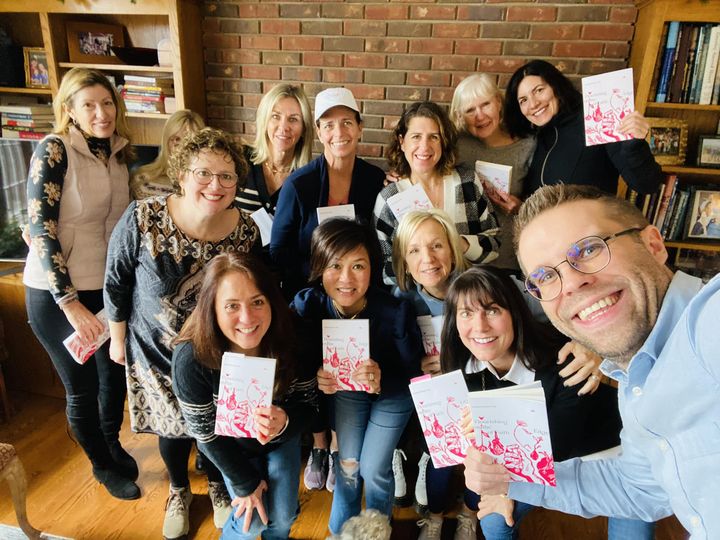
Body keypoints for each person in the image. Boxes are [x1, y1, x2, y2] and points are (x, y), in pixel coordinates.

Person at [464, 184, 719, 539]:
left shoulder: (709, 321)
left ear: (653, 245)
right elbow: (638, 489)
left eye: (588, 249)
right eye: (545, 276)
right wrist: (510, 475)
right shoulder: (635, 381)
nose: (570, 284)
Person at [104, 128, 260, 539]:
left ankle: (214, 482)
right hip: (152, 348)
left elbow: (249, 290)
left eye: (227, 176)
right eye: (203, 173)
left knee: (212, 424)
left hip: (215, 353)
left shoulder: (246, 231)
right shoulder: (143, 217)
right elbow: (116, 281)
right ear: (182, 174)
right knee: (171, 426)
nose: (216, 185)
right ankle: (177, 489)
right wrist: (117, 340)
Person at [431, 265, 653, 540]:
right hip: (536, 462)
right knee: (494, 521)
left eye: (492, 310)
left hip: (606, 456)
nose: (480, 327)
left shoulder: (565, 357)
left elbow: (555, 446)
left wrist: (506, 489)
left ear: (514, 312)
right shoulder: (464, 370)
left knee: (635, 528)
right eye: (466, 313)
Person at [23, 67, 139, 500]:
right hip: (57, 295)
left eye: (107, 103)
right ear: (69, 110)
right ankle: (101, 464)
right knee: (82, 387)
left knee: (113, 375)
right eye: (88, 105)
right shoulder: (54, 151)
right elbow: (41, 230)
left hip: (103, 290)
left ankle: (110, 440)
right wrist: (69, 303)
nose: (101, 113)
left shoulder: (118, 153)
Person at [291, 218, 424, 534]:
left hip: (393, 392)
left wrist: (380, 375)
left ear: (372, 268)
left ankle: (376, 531)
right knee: (348, 465)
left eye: (358, 266)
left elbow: (412, 371)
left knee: (376, 467)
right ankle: (341, 532)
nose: (346, 279)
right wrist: (315, 374)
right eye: (335, 266)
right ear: (319, 267)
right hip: (347, 390)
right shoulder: (309, 306)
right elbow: (291, 358)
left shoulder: (394, 311)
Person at [172, 253, 317, 539]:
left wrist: (286, 420)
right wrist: (244, 484)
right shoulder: (190, 358)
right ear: (212, 308)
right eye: (232, 306)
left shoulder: (294, 336)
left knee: (284, 516)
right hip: (229, 445)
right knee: (252, 522)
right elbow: (205, 435)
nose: (247, 318)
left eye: (257, 302)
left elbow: (310, 405)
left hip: (280, 440)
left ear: (272, 301)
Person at [270, 87, 385, 298]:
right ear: (319, 132)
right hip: (308, 294)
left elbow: (380, 244)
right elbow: (279, 251)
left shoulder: (375, 180)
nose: (339, 133)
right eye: (329, 125)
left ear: (360, 128)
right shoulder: (298, 185)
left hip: (361, 294)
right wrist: (324, 274)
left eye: (347, 123)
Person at [374, 101, 499, 285]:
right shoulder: (390, 198)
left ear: (444, 142)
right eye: (416, 136)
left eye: (434, 137)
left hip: (469, 293)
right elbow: (385, 267)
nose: (424, 147)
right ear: (402, 142)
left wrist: (458, 243)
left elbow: (494, 244)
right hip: (417, 302)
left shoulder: (467, 183)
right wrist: (425, 272)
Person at [504, 60, 663, 197]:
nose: (533, 104)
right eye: (523, 100)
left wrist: (634, 144)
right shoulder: (536, 135)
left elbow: (647, 185)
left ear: (555, 85)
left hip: (592, 231)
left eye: (539, 90)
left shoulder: (596, 117)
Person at [449, 73, 536, 269]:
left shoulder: (528, 145)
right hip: (467, 260)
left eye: (485, 104)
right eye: (470, 110)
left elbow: (543, 200)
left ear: (498, 102)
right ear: (460, 115)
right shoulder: (456, 146)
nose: (480, 116)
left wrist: (520, 207)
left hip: (512, 257)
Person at [235, 84, 314, 216]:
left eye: (293, 119)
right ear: (264, 121)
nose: (284, 127)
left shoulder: (309, 179)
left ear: (304, 129)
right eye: (276, 116)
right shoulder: (238, 160)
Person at [130, 109, 205, 199]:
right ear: (167, 142)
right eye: (176, 139)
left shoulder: (208, 183)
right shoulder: (143, 180)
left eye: (189, 141)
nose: (182, 147)